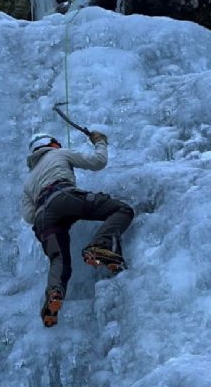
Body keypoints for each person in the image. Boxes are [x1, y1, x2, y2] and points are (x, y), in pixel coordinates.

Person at [21, 131, 134, 328]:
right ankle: (100, 245)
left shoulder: (28, 181)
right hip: (63, 196)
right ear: (52, 144)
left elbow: (28, 216)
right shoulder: (58, 153)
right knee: (122, 210)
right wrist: (100, 142)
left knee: (59, 260)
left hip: (43, 218)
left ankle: (54, 294)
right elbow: (98, 161)